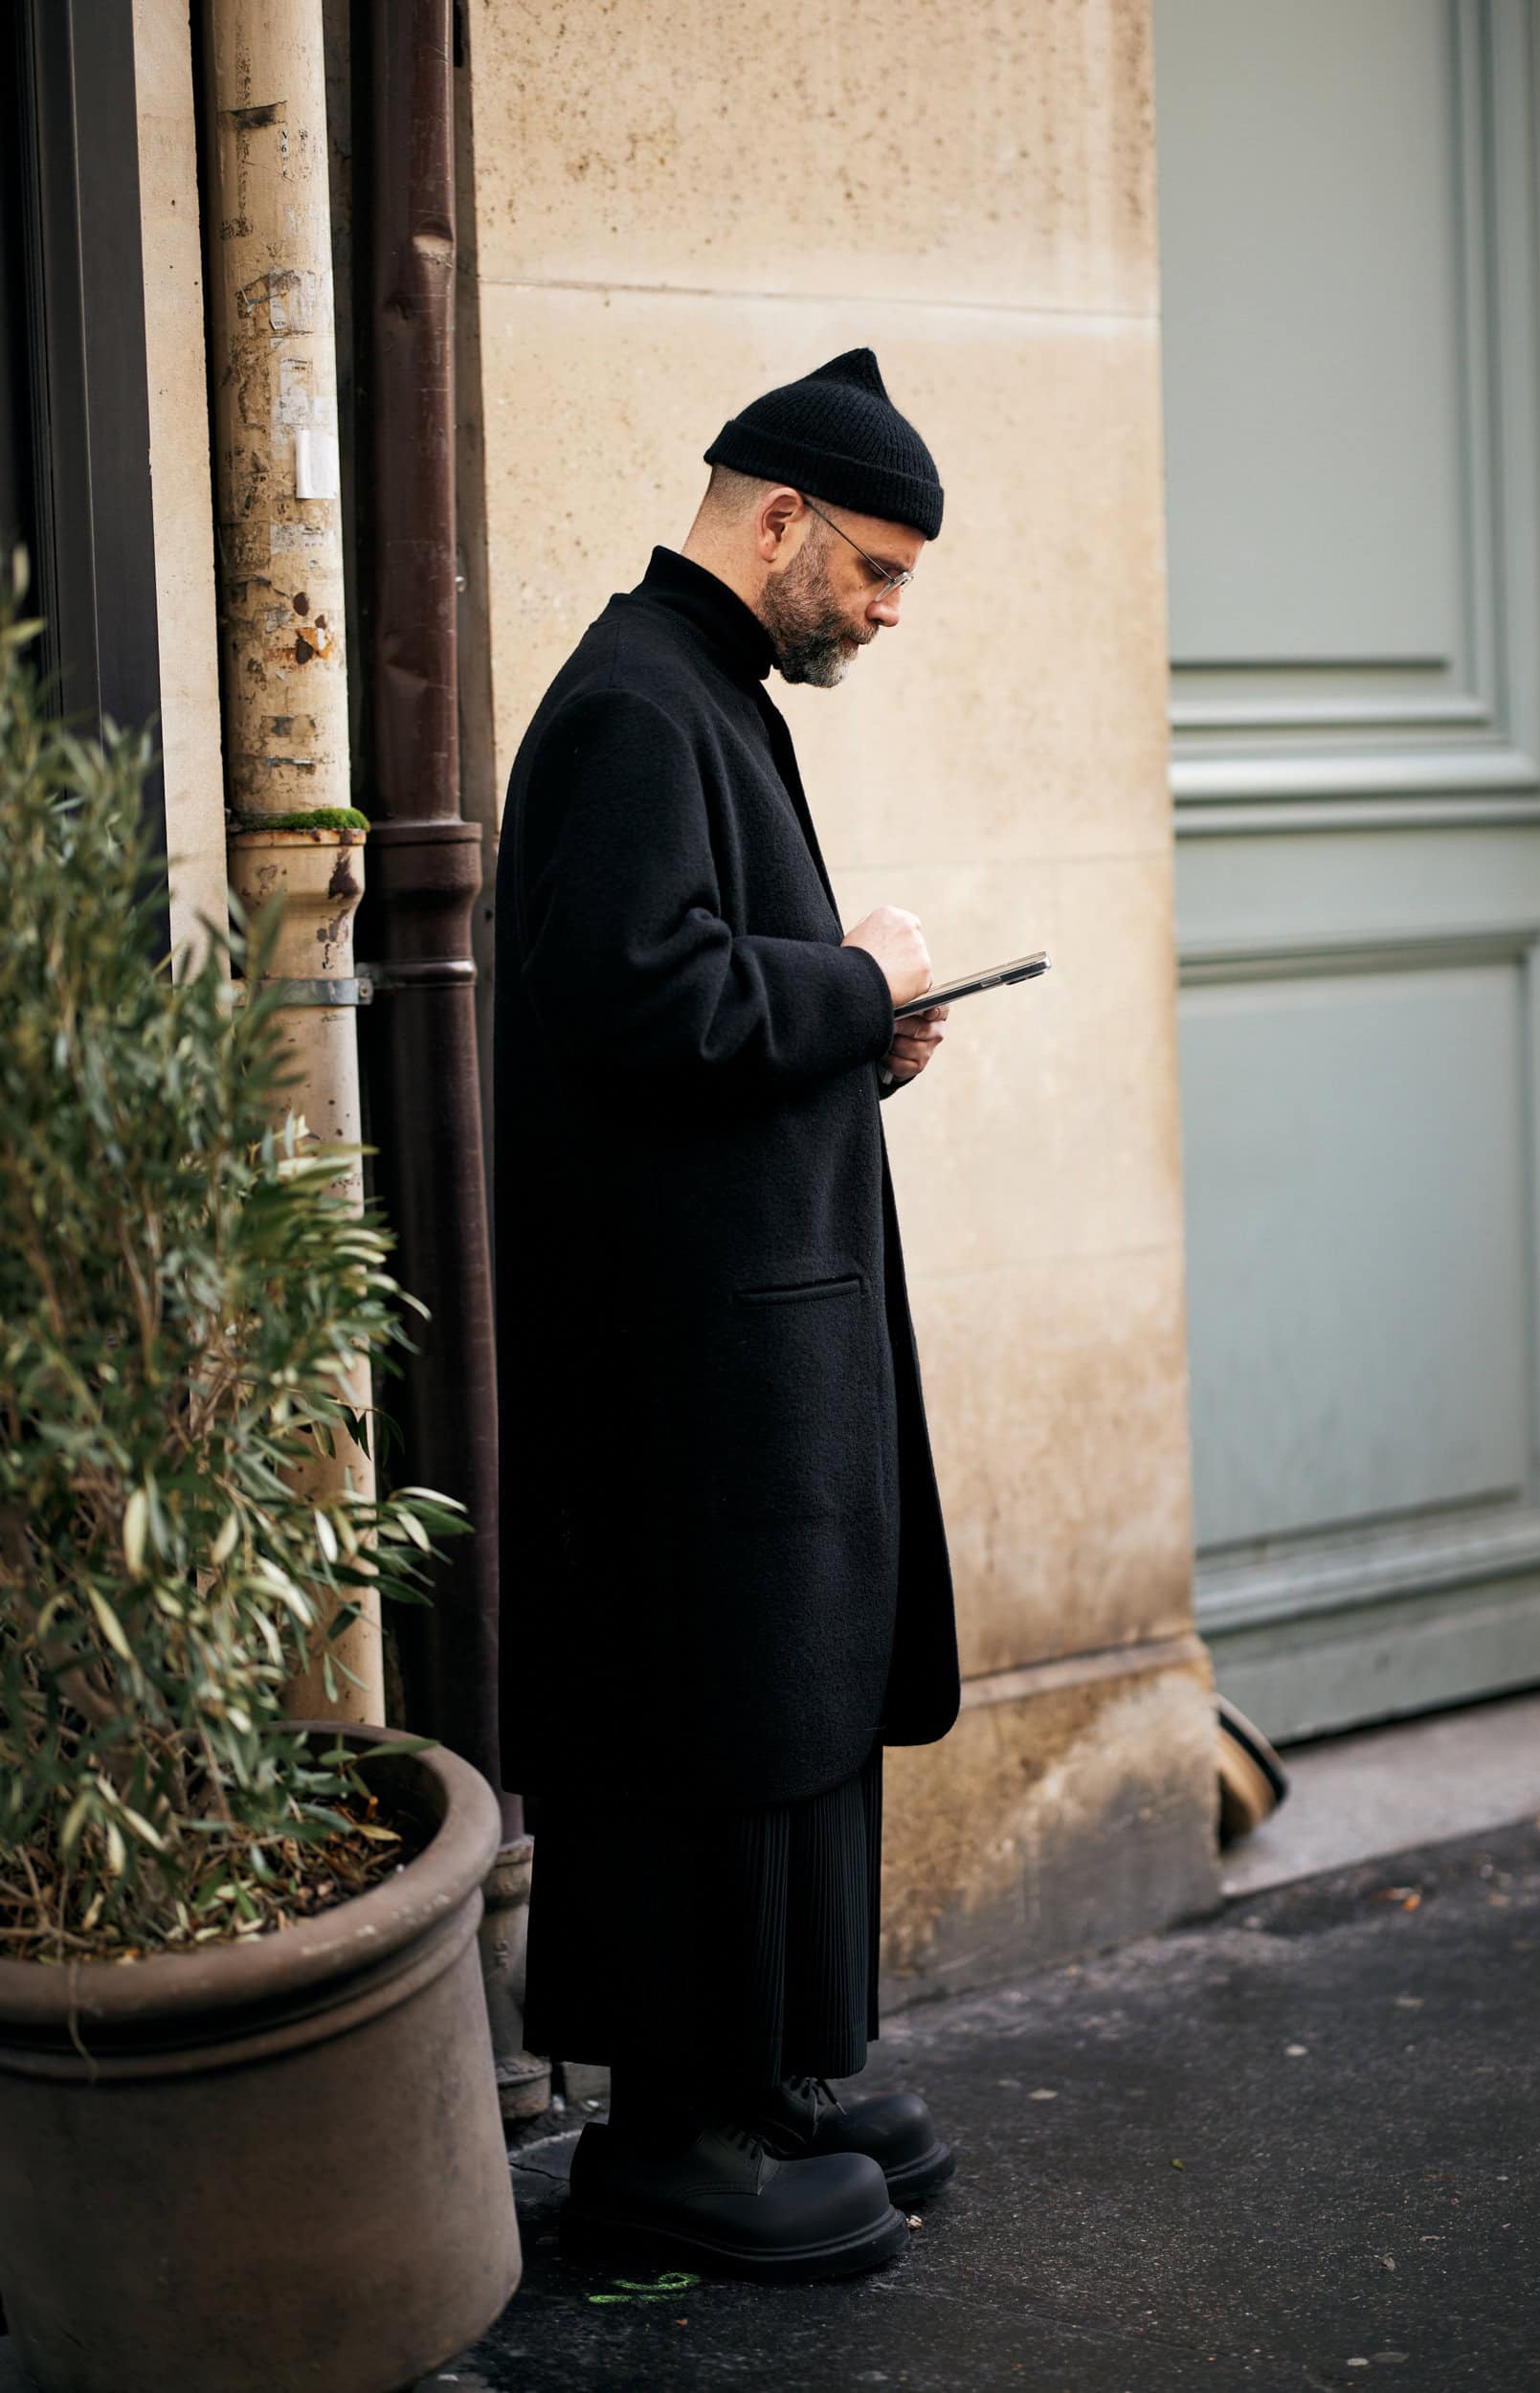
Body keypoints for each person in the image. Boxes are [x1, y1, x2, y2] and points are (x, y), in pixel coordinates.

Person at [493, 349, 962, 2281]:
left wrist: (867, 1032)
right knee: (707, 1713)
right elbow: (641, 1001)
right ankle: (678, 2131)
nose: (878, 609)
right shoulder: (630, 704)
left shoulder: (709, 693)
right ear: (775, 519)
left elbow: (712, 1003)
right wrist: (853, 986)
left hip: (750, 1331)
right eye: (867, 567)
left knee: (791, 1698)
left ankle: (774, 2069)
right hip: (685, 1368)